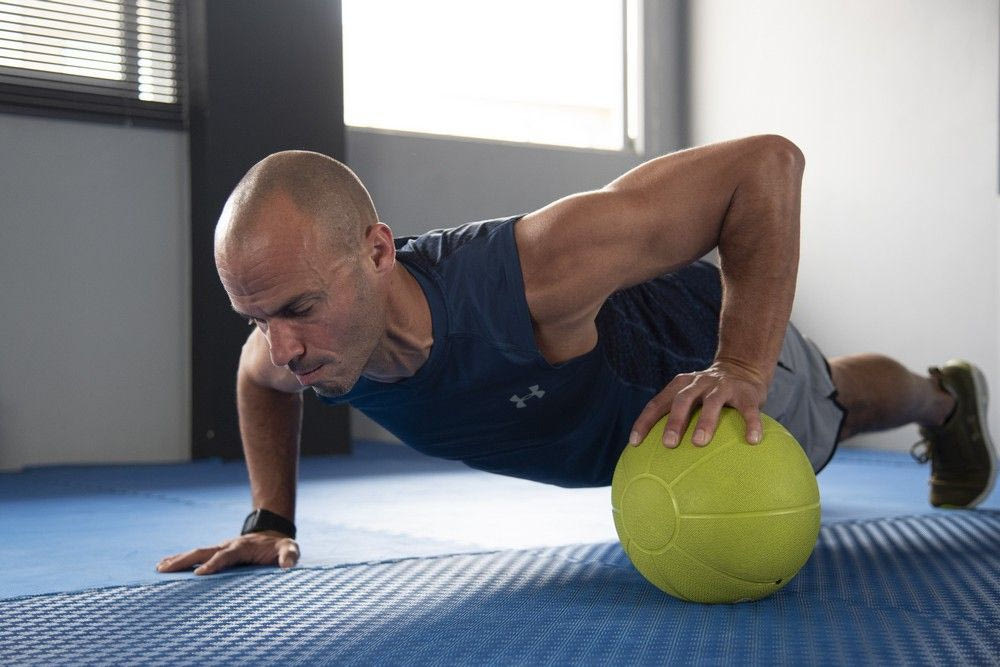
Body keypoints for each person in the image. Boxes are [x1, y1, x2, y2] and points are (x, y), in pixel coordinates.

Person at [156, 135, 996, 577]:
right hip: (614, 430)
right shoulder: (299, 345)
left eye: (298, 308)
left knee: (835, 406)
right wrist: (271, 518)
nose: (282, 345)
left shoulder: (524, 277)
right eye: (257, 316)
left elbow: (766, 166)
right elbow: (254, 374)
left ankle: (944, 400)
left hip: (693, 356)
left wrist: (740, 366)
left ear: (378, 250)